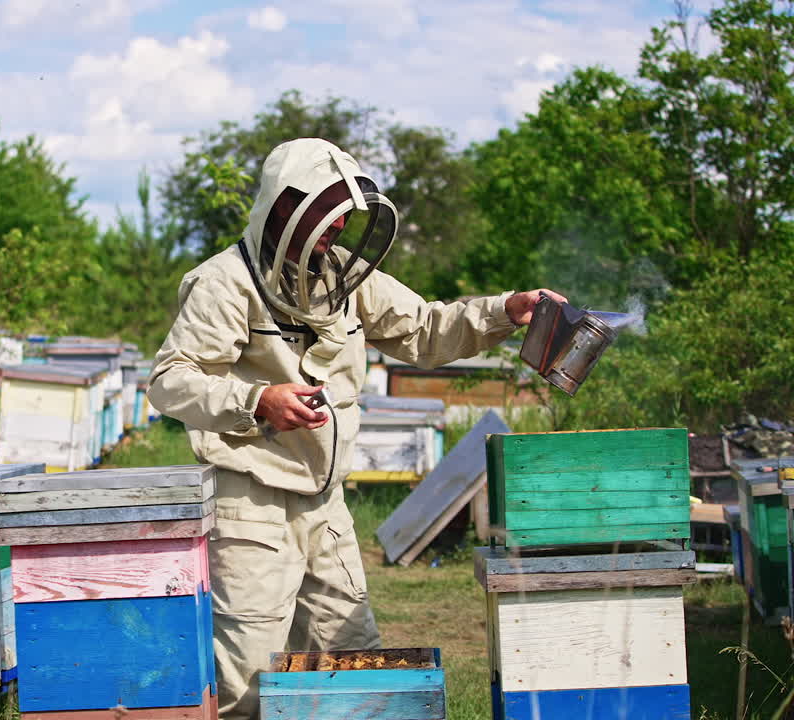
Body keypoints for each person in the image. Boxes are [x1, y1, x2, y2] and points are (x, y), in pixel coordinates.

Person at [147, 137, 565, 720]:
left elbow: (424, 329)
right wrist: (258, 398)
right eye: (326, 212)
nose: (339, 225)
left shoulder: (344, 274)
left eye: (344, 212)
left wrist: (504, 311)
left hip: (326, 504)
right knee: (247, 680)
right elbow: (169, 380)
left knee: (352, 661)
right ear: (285, 207)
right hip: (251, 502)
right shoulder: (225, 283)